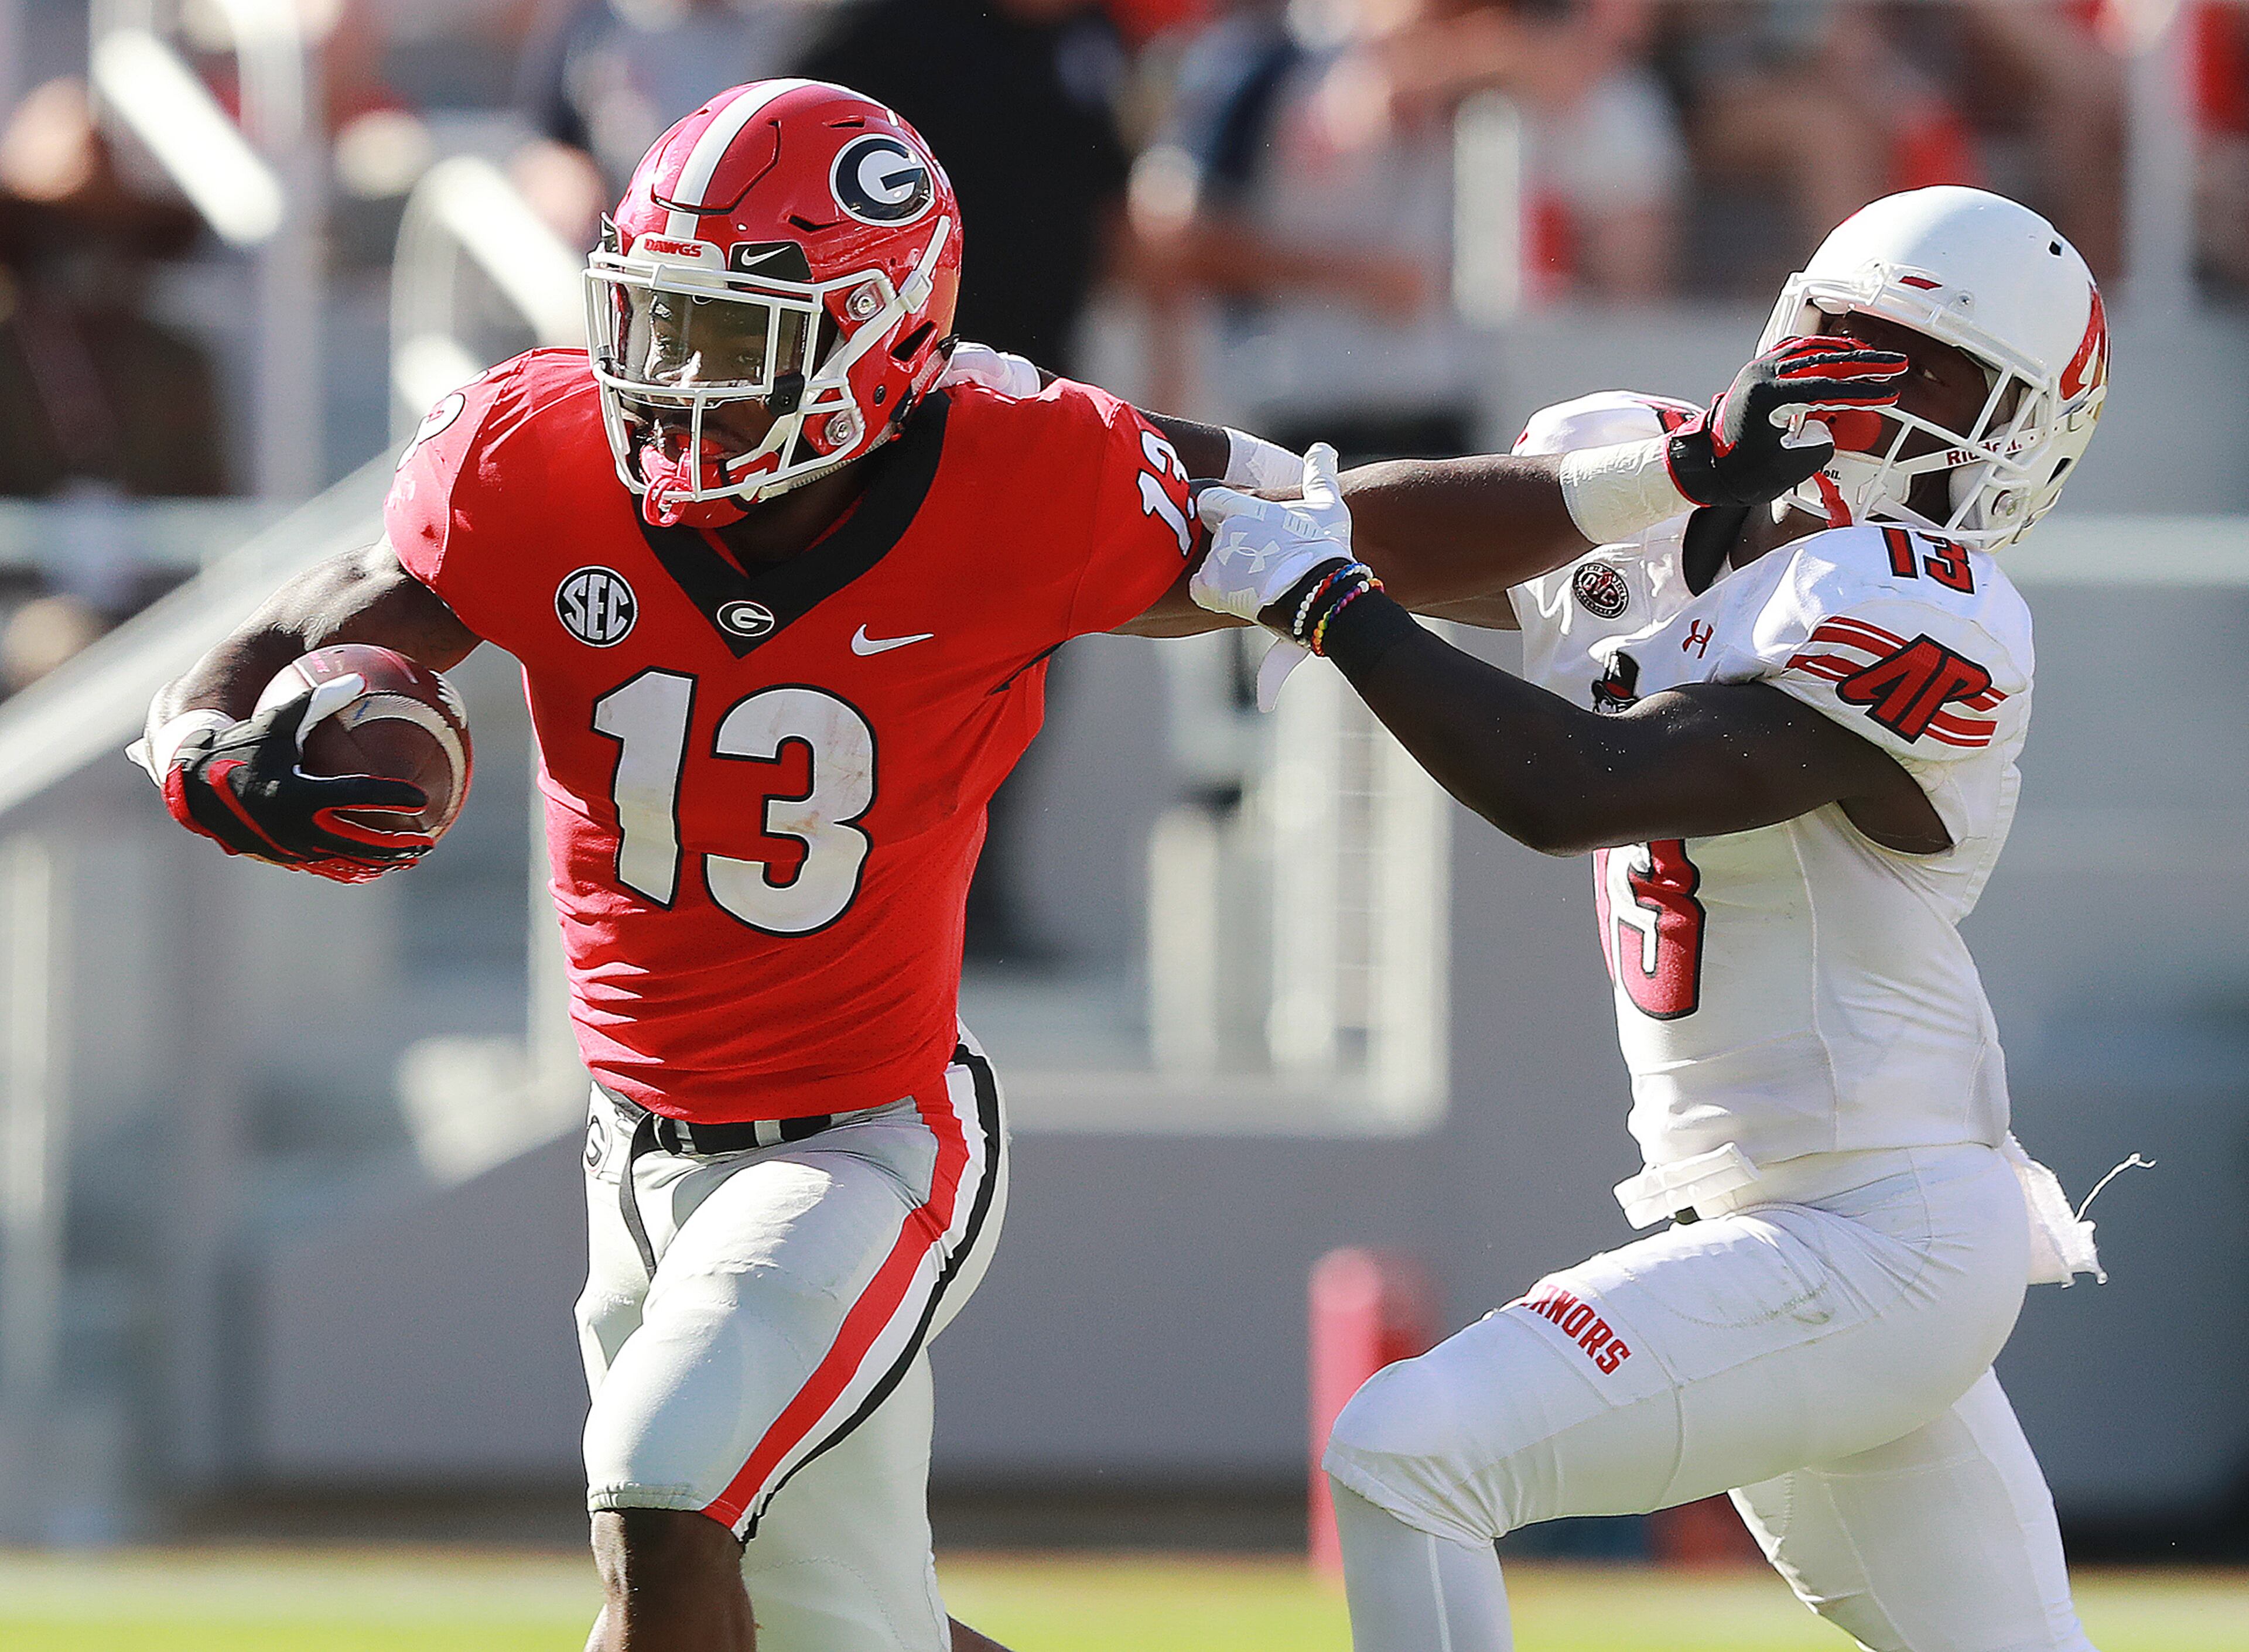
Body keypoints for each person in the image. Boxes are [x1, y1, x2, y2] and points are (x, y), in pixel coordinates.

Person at [129, 78, 1898, 1652]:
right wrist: (217, 745)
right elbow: (302, 625)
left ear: (880, 333)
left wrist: (1676, 470)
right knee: (850, 1628)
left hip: (861, 1139)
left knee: (661, 1496)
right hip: (631, 1143)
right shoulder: (539, 448)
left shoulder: (1030, 473)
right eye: (653, 325)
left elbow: (1338, 523)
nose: (673, 385)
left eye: (733, 336)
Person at [1190, 183, 2112, 1651]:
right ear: (1799, 338)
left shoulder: (1929, 603)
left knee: (1405, 1452)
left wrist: (1333, 607)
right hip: (1784, 1227)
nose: (1899, 408)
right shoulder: (1662, 484)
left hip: (1875, 1231)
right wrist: (1669, 468)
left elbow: (1577, 786)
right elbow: (1353, 529)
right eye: (1869, 350)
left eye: (1948, 382)